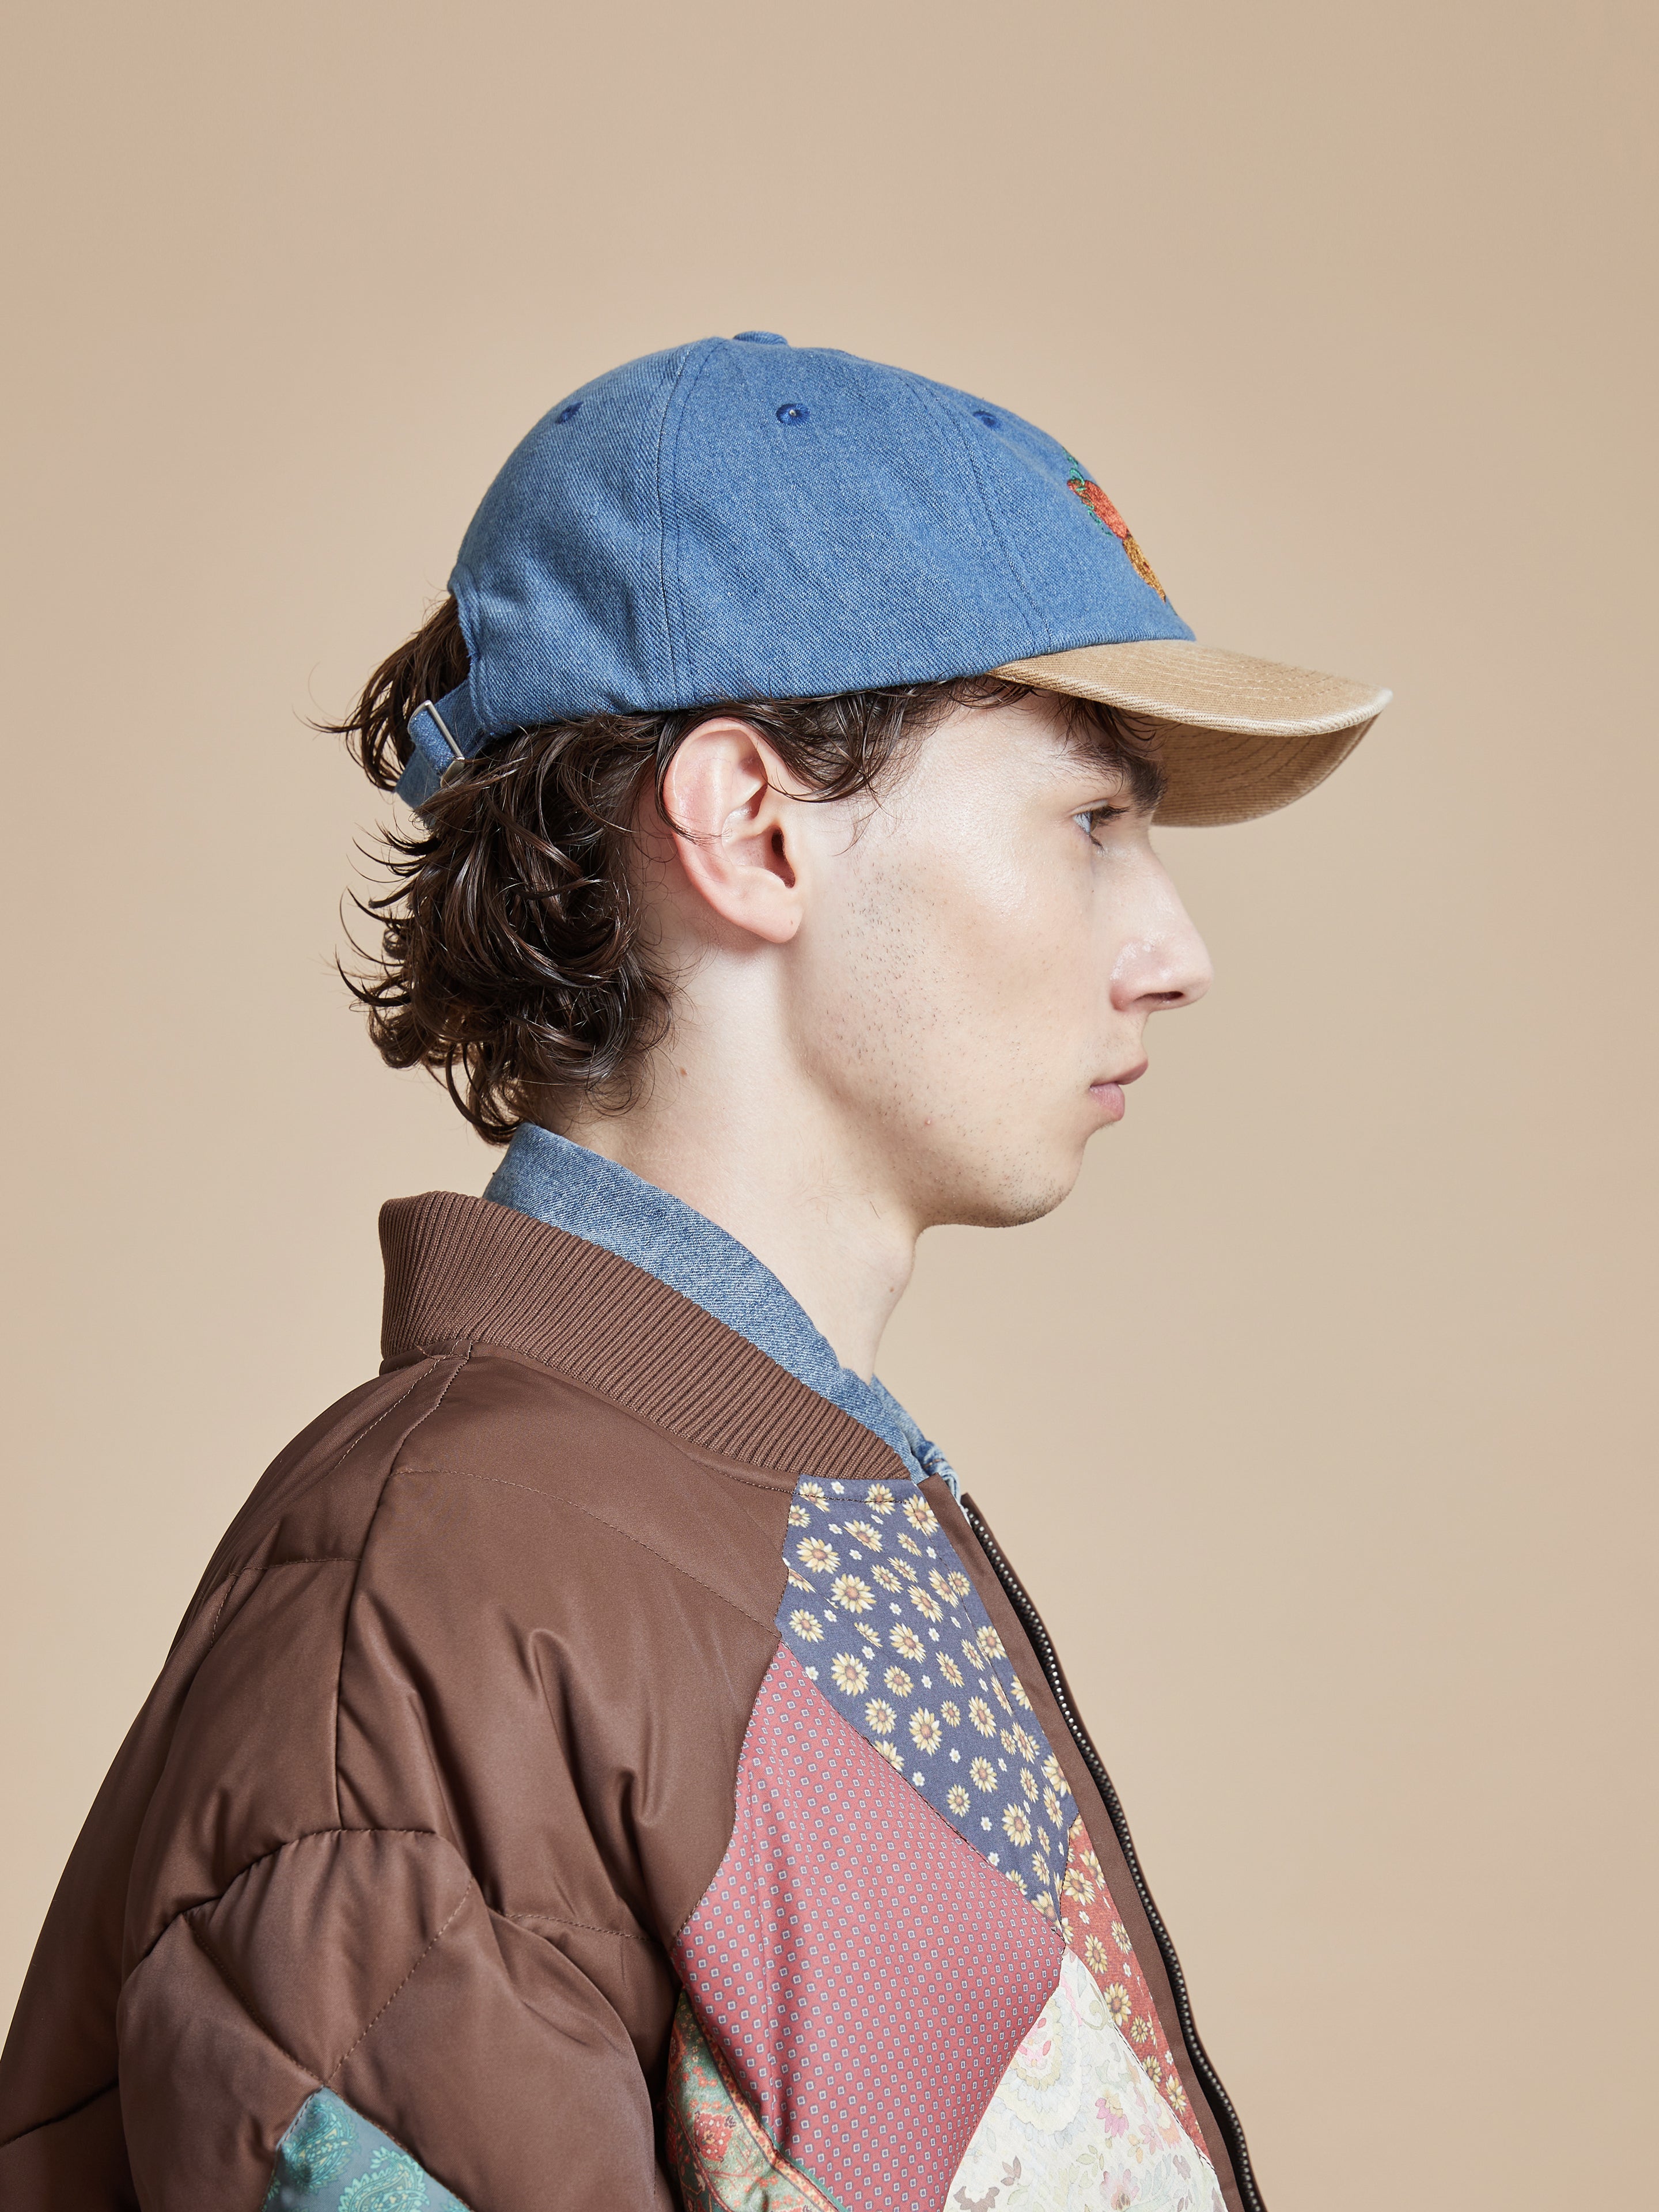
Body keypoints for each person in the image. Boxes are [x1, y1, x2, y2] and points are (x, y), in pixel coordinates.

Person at [0, 334, 1388, 2212]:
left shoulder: (750, 1502)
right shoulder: (437, 1605)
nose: (1173, 948)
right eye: (1092, 818)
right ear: (751, 826)